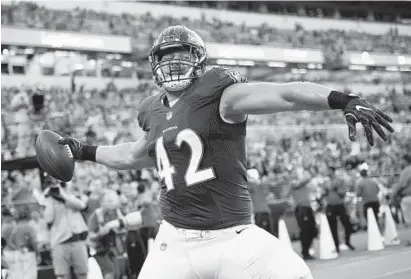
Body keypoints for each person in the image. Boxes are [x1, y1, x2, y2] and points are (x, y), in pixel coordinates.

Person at [57, 25, 394, 279]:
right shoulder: (152, 111)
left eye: (181, 54)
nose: (173, 62)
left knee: (297, 274)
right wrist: (84, 150)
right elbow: (133, 156)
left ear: (198, 59)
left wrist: (341, 100)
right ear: (154, 63)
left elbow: (285, 94)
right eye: (166, 55)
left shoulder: (221, 93)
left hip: (233, 237)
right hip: (174, 238)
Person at [43, 179, 89, 279]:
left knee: (82, 273)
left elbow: (82, 205)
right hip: (60, 241)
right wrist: (49, 199)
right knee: (62, 275)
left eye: (61, 184)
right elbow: (48, 219)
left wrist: (63, 195)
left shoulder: (72, 197)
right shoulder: (49, 200)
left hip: (77, 240)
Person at [323, 167, 355, 252]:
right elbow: (323, 194)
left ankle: (347, 241)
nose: (327, 172)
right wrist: (325, 191)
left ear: (332, 171)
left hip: (340, 205)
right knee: (333, 227)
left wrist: (336, 188)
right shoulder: (325, 182)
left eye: (328, 171)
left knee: (348, 224)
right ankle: (336, 246)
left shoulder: (340, 181)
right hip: (330, 206)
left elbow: (343, 193)